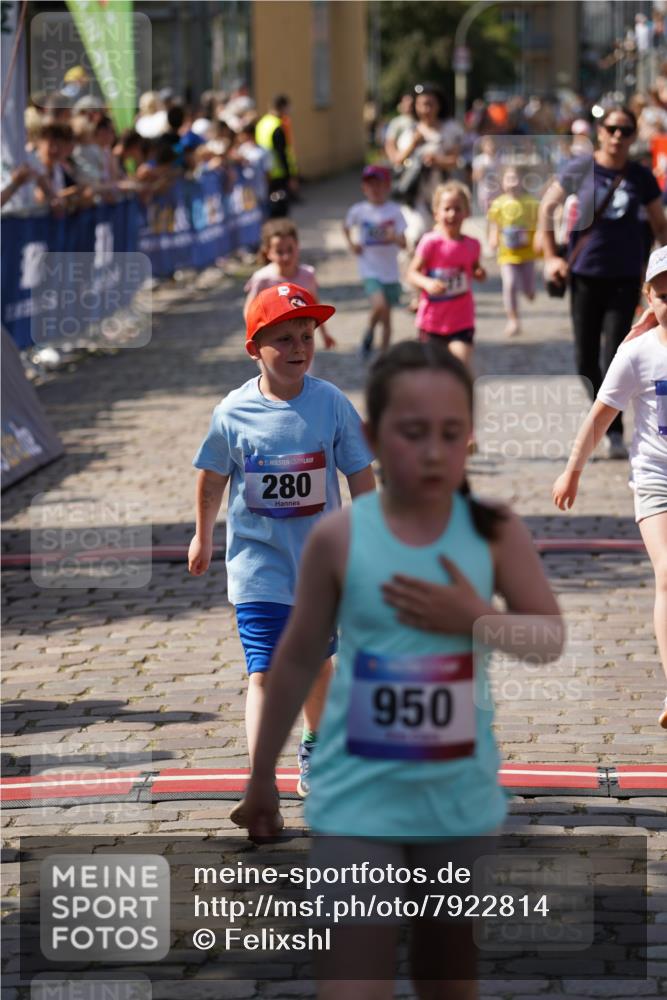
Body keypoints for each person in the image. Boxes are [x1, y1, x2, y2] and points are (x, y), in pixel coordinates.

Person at [238, 340, 564, 996]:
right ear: (371, 439)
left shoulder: (493, 530)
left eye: (450, 432)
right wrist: (262, 777)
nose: (434, 450)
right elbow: (297, 657)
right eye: (412, 433)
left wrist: (474, 616)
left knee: (446, 976)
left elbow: (546, 638)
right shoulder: (342, 536)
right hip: (357, 796)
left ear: (469, 438)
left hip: (456, 801)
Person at [188, 283, 375, 809]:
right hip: (259, 569)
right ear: (254, 348)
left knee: (318, 666)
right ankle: (261, 781)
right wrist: (203, 533)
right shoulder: (232, 413)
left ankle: (317, 749)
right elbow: (211, 478)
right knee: (265, 673)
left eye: (307, 335)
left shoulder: (331, 404)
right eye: (284, 338)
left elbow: (360, 474)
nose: (299, 347)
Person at [553, 246, 667, 730]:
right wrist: (573, 470)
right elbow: (600, 416)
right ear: (649, 296)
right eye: (665, 294)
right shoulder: (637, 354)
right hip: (655, 481)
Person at [539, 105, 667, 459]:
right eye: (612, 128)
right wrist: (550, 256)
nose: (618, 137)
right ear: (600, 131)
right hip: (584, 273)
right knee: (584, 359)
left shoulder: (641, 176)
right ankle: (603, 417)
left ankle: (612, 430)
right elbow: (547, 207)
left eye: (626, 131)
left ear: (633, 135)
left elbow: (659, 226)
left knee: (615, 352)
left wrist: (661, 271)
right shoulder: (580, 168)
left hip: (626, 276)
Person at [407, 181, 486, 371]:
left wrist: (480, 273)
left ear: (467, 212)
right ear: (436, 213)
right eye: (447, 209)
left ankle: (461, 399)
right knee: (433, 373)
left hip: (462, 320)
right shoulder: (430, 242)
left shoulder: (472, 245)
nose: (452, 214)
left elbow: (475, 269)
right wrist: (427, 283)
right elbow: (412, 273)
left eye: (457, 209)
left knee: (461, 367)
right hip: (432, 322)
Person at [343, 164, 407, 358]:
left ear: (388, 187)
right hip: (369, 269)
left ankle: (384, 355)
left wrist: (393, 237)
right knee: (379, 306)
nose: (375, 189)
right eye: (371, 185)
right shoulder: (359, 211)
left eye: (380, 185)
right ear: (364, 188)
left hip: (390, 272)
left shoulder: (395, 211)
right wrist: (352, 244)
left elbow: (404, 243)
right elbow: (345, 226)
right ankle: (369, 331)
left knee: (387, 319)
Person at [243, 218, 335, 349]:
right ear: (268, 252)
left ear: (298, 246)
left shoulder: (307, 275)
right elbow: (249, 310)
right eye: (279, 252)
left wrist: (325, 334)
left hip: (301, 341)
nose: (286, 256)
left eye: (290, 249)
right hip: (272, 343)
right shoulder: (262, 279)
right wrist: (254, 336)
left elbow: (314, 303)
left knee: (304, 368)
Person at [394, 83, 464, 250]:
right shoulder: (410, 131)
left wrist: (437, 160)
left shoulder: (450, 130)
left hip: (441, 189)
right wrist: (413, 144)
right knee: (417, 232)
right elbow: (398, 160)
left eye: (430, 104)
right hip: (416, 192)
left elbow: (455, 160)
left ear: (439, 105)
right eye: (421, 104)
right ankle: (417, 268)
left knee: (440, 232)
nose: (426, 109)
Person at [487, 165, 540, 337]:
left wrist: (539, 238)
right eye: (509, 179)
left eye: (516, 179)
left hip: (528, 254)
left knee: (529, 288)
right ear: (502, 183)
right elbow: (495, 223)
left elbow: (540, 223)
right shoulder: (498, 203)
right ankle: (513, 320)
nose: (513, 183)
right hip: (507, 254)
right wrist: (493, 237)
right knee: (509, 284)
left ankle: (529, 291)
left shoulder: (531, 202)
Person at [255, 95, 297, 218]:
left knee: (270, 207)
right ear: (282, 107)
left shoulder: (262, 123)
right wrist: (291, 176)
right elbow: (281, 152)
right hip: (278, 173)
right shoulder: (277, 126)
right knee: (280, 208)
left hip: (264, 171)